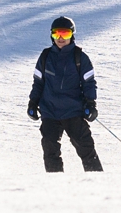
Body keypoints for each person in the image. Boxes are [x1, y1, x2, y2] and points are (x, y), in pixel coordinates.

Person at [29, 17, 103, 173]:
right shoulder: (45, 57)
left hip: (73, 111)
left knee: (86, 148)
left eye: (65, 34)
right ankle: (56, 185)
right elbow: (38, 83)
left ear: (72, 35)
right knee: (50, 151)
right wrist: (32, 103)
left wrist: (91, 104)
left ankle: (98, 182)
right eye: (57, 35)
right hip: (50, 112)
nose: (61, 38)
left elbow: (89, 83)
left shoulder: (80, 58)